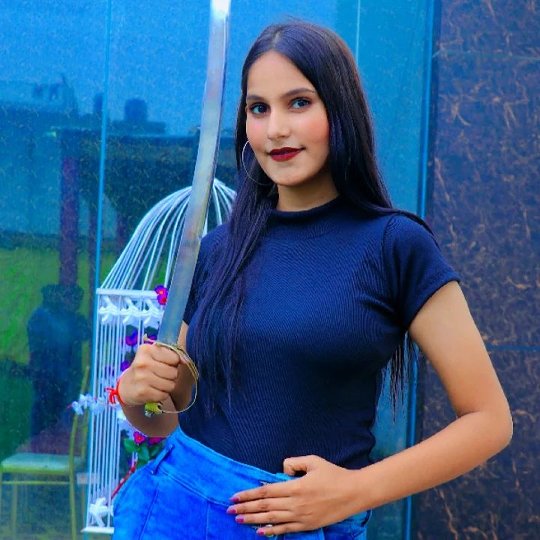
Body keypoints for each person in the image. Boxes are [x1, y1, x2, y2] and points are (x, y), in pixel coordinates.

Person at [111, 21, 512, 539]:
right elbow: (167, 416)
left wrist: (356, 490)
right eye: (259, 108)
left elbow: (489, 420)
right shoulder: (219, 250)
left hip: (304, 524)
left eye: (299, 102)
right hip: (176, 510)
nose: (276, 128)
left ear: (339, 109)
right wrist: (138, 397)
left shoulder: (395, 246)